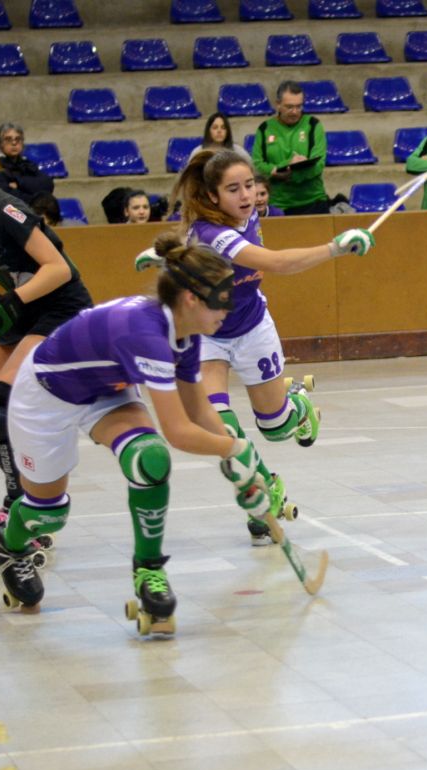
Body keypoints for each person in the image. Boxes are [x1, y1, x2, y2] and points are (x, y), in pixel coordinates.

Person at [0, 232, 273, 626]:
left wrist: (248, 466)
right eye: (222, 301)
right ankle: (9, 546)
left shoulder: (186, 335)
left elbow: (199, 412)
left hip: (107, 391)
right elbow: (177, 430)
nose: (230, 309)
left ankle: (149, 570)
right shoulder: (144, 333)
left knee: (150, 458)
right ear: (191, 299)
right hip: (47, 394)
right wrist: (231, 452)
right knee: (47, 515)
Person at [144, 148, 374, 544]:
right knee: (219, 422)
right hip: (211, 334)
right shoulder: (214, 233)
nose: (246, 195)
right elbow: (278, 263)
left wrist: (167, 253)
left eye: (249, 184)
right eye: (233, 189)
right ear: (213, 196)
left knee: (277, 428)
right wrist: (335, 248)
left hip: (252, 330)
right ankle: (266, 486)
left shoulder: (242, 213)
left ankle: (297, 404)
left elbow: (194, 220)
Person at [0, 132, 94, 553]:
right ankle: (19, 505)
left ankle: (26, 513)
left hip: (60, 307)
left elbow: (59, 269)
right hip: (23, 310)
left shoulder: (4, 208)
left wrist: (11, 300)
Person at [251, 80, 329, 216]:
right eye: (289, 107)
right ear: (278, 104)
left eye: (299, 106)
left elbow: (319, 164)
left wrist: (291, 176)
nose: (295, 112)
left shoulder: (313, 125)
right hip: (278, 204)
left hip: (313, 201)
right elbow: (258, 163)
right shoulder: (265, 129)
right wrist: (277, 170)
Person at [0, 123, 56, 205]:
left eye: (18, 139)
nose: (14, 143)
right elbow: (8, 197)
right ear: (0, 144)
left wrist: (19, 183)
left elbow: (48, 184)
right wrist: (35, 196)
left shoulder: (26, 163)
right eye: (8, 139)